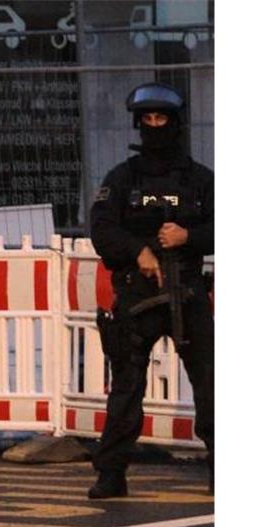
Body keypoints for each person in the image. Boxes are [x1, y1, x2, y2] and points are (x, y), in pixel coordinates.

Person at [88, 82, 214, 498]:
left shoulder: (200, 180)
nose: (155, 127)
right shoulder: (122, 179)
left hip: (188, 292)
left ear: (175, 124)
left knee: (212, 385)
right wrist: (138, 249)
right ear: (139, 124)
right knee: (126, 387)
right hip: (138, 293)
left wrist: (188, 237)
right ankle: (111, 474)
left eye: (162, 120)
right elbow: (102, 229)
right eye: (149, 120)